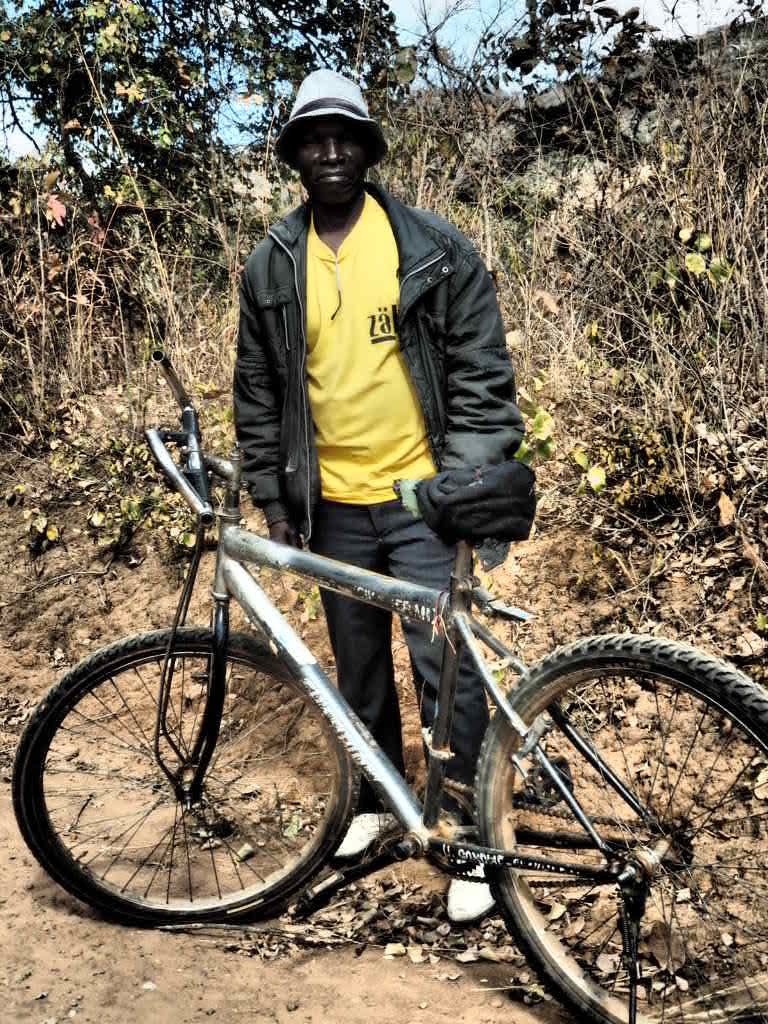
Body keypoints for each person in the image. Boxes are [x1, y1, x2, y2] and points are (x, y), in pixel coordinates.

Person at [233, 69, 524, 923]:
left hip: (420, 498)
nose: (330, 152)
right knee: (356, 666)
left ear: (367, 150)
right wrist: (275, 499)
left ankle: (472, 834)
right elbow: (259, 390)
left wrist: (459, 485)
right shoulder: (272, 264)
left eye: (344, 138)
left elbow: (481, 373)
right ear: (295, 156)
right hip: (330, 504)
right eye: (313, 140)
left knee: (446, 669)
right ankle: (377, 801)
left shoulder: (430, 248)